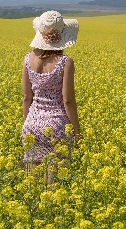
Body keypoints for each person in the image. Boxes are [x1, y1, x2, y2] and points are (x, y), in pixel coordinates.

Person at [21, 10, 81, 183]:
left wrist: (28, 125)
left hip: (31, 125)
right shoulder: (65, 62)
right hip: (56, 127)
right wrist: (77, 133)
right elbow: (68, 100)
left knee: (32, 184)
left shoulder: (27, 59)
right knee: (53, 188)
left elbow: (26, 97)